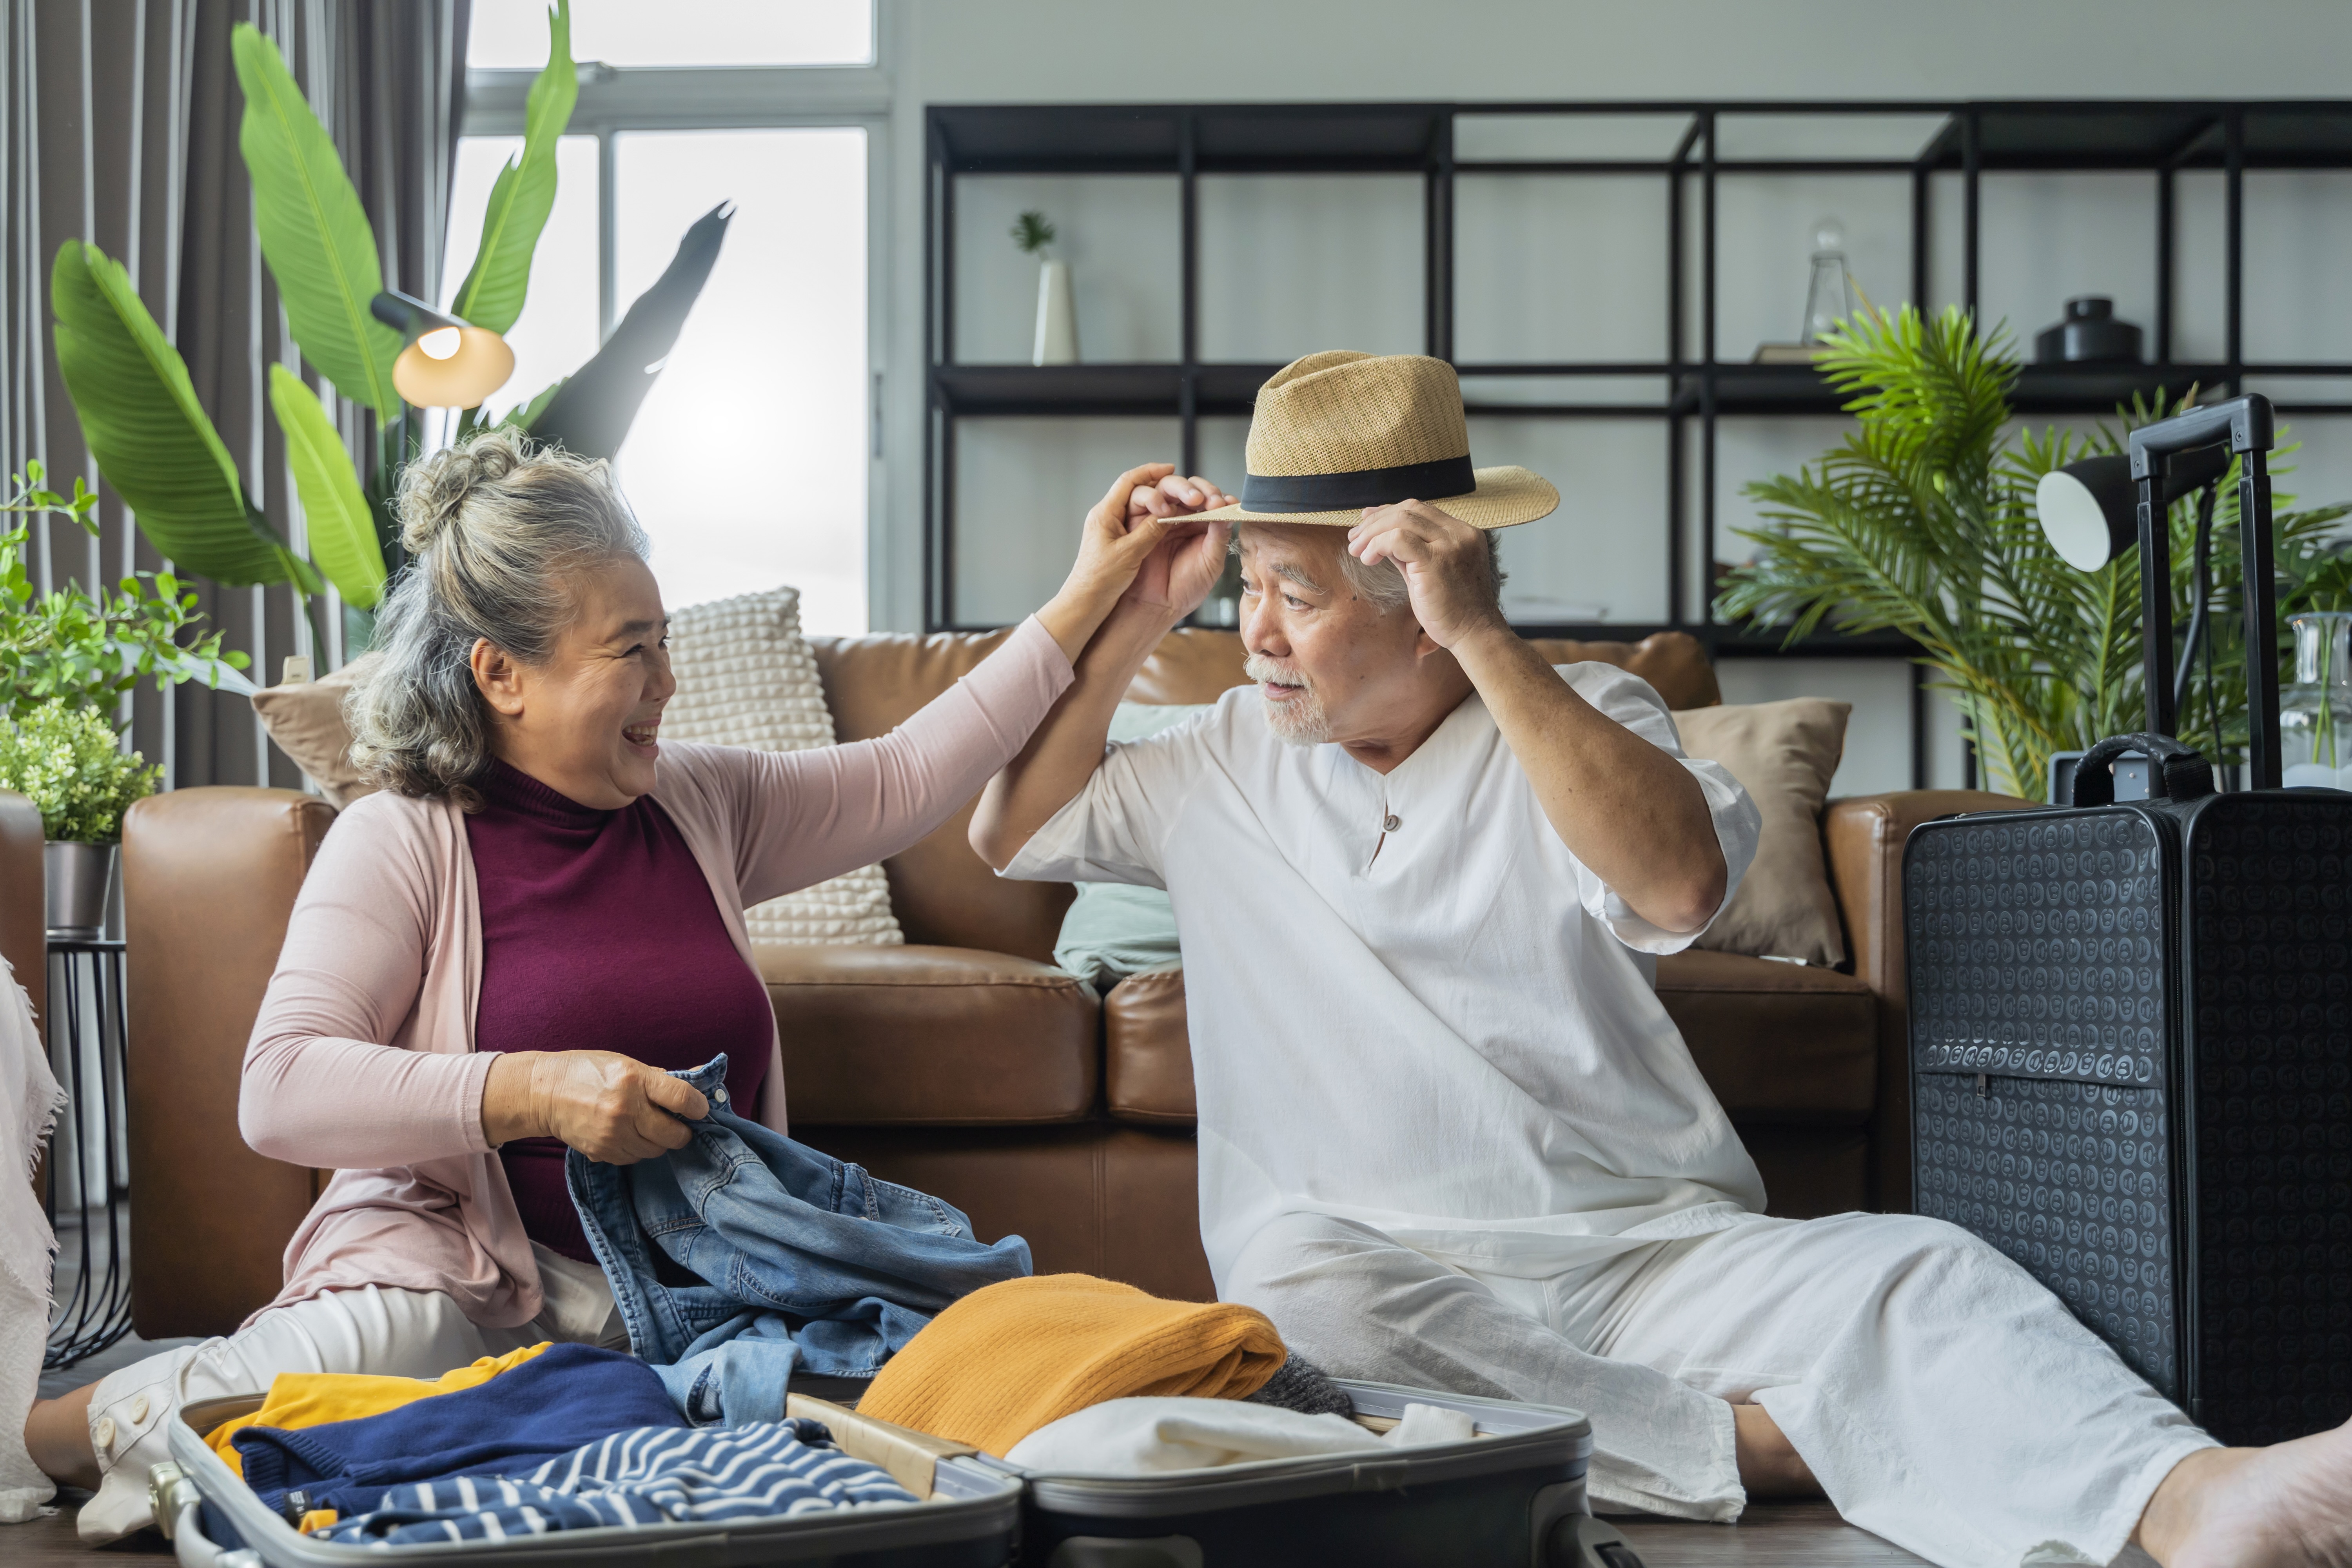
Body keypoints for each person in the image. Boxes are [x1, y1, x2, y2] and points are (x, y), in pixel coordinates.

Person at [970, 350, 2352, 1568]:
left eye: (1299, 592)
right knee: (1294, 1302)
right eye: (1248, 587)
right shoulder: (1218, 757)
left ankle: (2202, 1500)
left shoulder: (1590, 716)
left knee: (1914, 1270)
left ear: (1420, 589)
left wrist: (1487, 637)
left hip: (1648, 1254)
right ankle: (1748, 1451)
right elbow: (1004, 830)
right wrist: (1127, 607)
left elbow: (1679, 881)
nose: (1256, 631)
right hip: (1389, 1278)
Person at [23, 428, 1233, 1543]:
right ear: (503, 676)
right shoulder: (403, 837)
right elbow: (278, 1090)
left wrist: (1101, 598)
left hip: (695, 1295)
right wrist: (533, 1092)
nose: (668, 684)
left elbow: (916, 770)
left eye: (667, 645)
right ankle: (46, 1436)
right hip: (465, 1280)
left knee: (914, 1403)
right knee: (319, 1379)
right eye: (631, 653)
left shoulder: (702, 802)